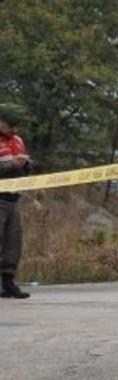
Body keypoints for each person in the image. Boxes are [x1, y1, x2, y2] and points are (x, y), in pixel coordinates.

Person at [0, 104, 33, 299]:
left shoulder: (17, 141)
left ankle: (8, 282)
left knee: (13, 241)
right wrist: (11, 165)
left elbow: (28, 166)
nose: (14, 130)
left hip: (13, 197)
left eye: (17, 126)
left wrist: (26, 164)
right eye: (11, 125)